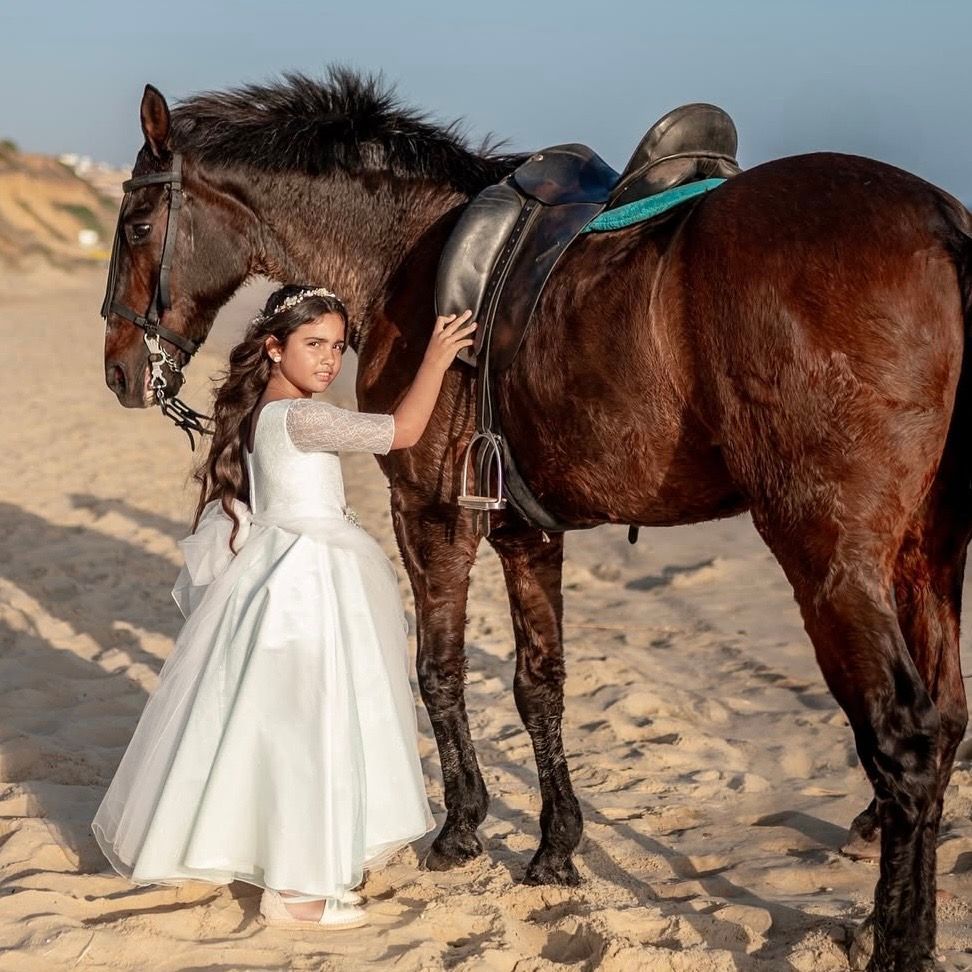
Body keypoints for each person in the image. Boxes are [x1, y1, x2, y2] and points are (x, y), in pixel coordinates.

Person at [92, 284, 477, 930]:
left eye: (337, 347)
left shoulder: (266, 411)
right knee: (310, 723)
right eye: (313, 345)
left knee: (288, 722)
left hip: (284, 573)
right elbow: (403, 431)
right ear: (274, 348)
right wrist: (436, 357)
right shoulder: (301, 417)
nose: (329, 360)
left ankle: (301, 865)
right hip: (304, 581)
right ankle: (296, 892)